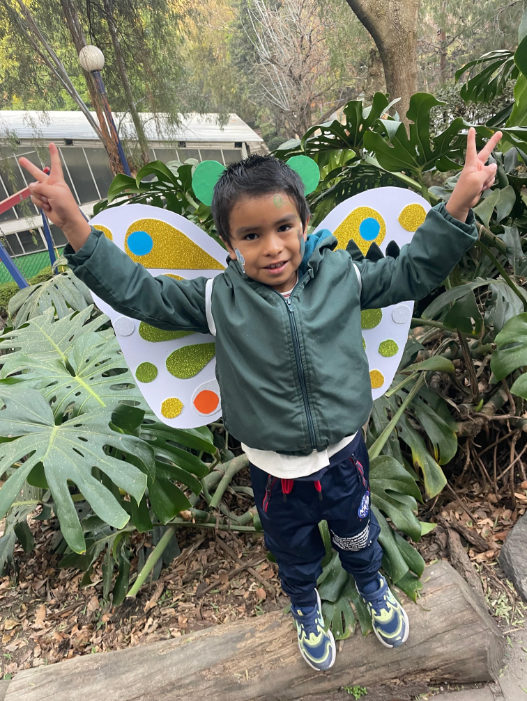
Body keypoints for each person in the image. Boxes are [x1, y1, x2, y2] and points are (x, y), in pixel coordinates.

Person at [20, 127, 501, 672]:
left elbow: (413, 271)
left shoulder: (342, 275)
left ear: (303, 223)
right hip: (275, 473)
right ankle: (305, 606)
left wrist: (459, 202)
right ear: (228, 242)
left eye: (283, 227)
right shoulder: (216, 299)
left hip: (344, 457)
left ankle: (371, 584)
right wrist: (74, 224)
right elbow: (142, 293)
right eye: (251, 235)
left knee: (358, 531)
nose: (272, 247)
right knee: (293, 551)